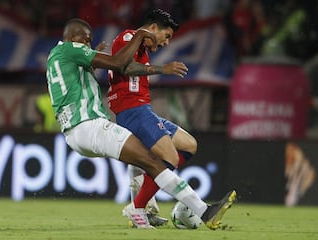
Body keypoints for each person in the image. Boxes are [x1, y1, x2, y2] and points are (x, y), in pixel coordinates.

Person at [46, 18, 236, 229]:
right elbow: (119, 64)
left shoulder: (58, 57)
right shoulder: (71, 49)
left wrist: (92, 56)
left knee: (147, 160)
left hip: (76, 133)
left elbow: (81, 79)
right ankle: (201, 210)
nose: (88, 45)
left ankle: (143, 211)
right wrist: (139, 36)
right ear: (73, 38)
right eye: (86, 41)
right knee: (152, 161)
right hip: (90, 126)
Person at [107, 9, 234, 228]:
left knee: (189, 145)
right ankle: (140, 208)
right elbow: (124, 68)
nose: (166, 43)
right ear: (153, 28)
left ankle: (142, 201)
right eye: (166, 36)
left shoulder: (142, 50)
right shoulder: (129, 37)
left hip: (143, 110)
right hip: (132, 111)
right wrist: (162, 69)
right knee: (170, 158)